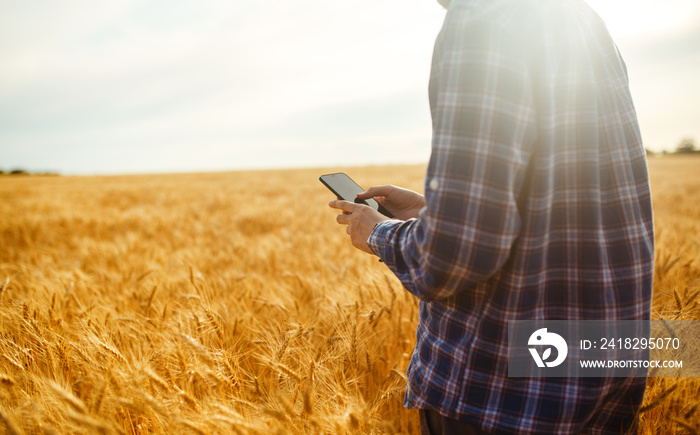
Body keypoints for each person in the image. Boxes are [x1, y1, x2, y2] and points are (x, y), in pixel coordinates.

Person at [329, 0, 654, 433]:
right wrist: (431, 213)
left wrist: (379, 233)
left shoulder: (483, 20)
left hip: (504, 394)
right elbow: (560, 211)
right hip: (601, 372)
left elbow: (455, 256)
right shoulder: (580, 18)